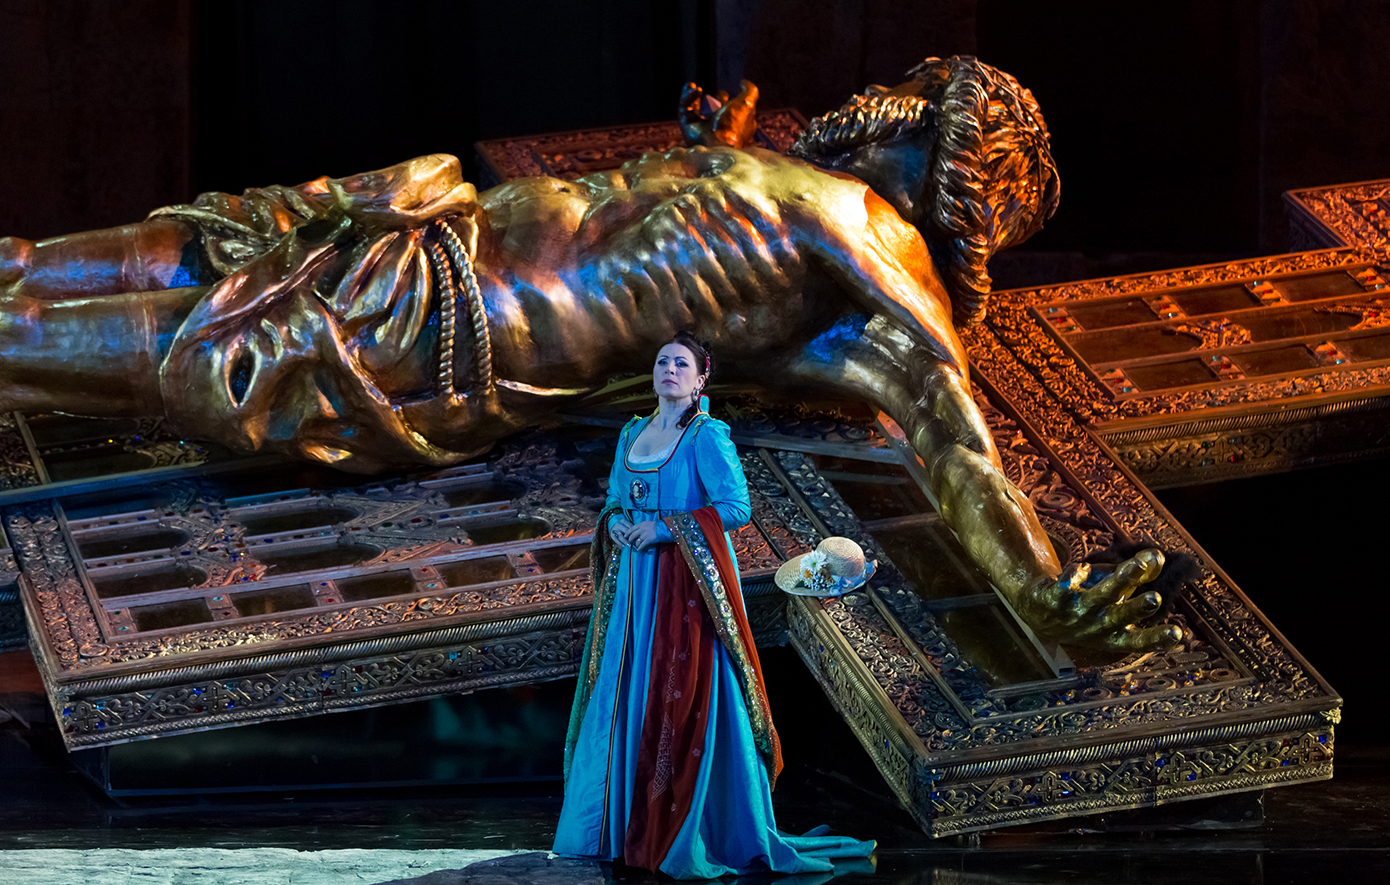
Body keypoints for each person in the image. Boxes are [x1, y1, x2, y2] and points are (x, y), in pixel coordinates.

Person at [0, 55, 1177, 652]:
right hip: (410, 220)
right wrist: (712, 155)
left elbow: (949, 429)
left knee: (32, 332)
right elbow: (674, 251)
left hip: (425, 329)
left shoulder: (878, 250)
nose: (880, 93)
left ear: (941, 144)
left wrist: (1037, 588)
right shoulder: (792, 184)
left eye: (914, 93)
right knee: (36, 272)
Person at [553, 330, 875, 877]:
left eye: (682, 364)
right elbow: (613, 499)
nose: (669, 370)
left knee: (682, 696)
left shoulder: (706, 435)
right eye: (662, 361)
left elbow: (736, 507)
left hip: (683, 590)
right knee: (622, 691)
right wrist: (620, 524)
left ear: (701, 377)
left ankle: (686, 827)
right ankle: (613, 826)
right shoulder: (632, 431)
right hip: (633, 590)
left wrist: (665, 528)